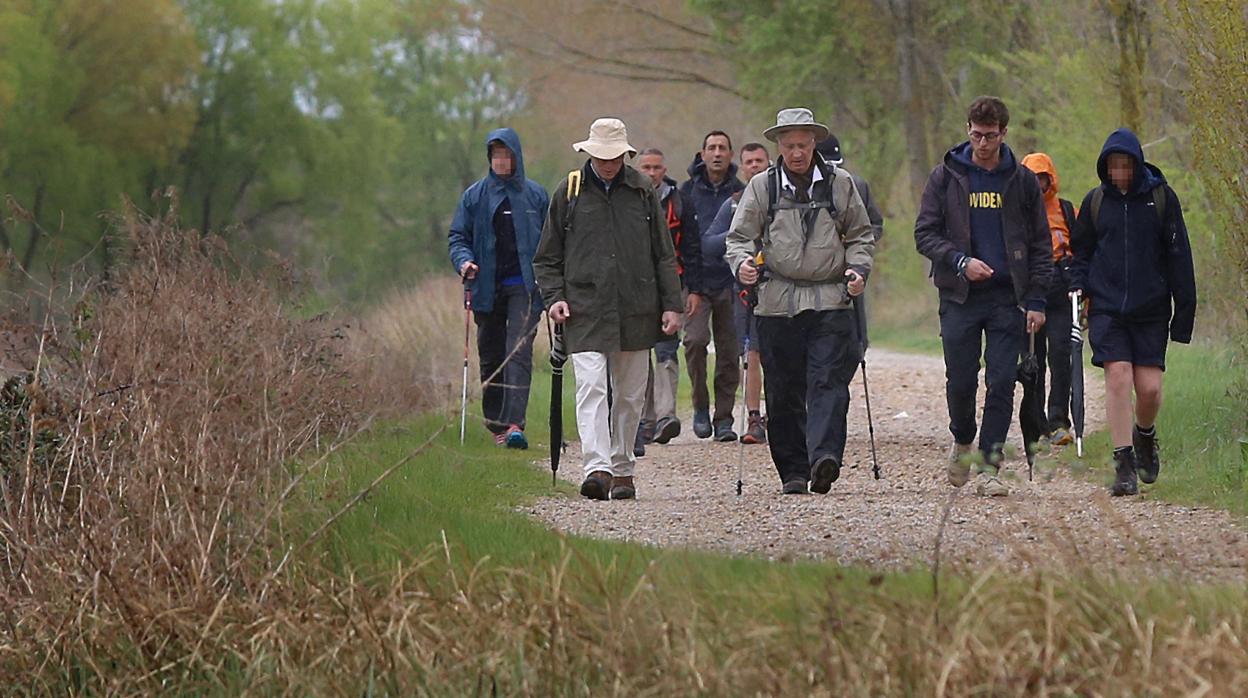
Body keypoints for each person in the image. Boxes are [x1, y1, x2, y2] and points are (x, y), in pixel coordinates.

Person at [725, 108, 876, 495]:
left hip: (831, 297)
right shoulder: (763, 187)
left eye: (803, 145)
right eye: (790, 145)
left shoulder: (840, 185)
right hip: (777, 300)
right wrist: (743, 264)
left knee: (828, 380)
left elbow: (861, 234)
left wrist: (858, 270)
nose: (797, 153)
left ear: (814, 144)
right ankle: (792, 469)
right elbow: (738, 237)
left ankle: (824, 457)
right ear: (779, 145)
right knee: (783, 387)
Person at [533, 118, 683, 501]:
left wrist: (672, 306)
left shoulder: (643, 191)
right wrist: (555, 299)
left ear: (625, 154)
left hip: (636, 306)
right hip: (585, 308)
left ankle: (622, 468)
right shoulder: (569, 192)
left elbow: (664, 254)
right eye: (601, 156)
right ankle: (596, 467)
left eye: (615, 156)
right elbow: (546, 259)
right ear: (588, 154)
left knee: (632, 394)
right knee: (591, 387)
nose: (608, 163)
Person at [913, 96, 1052, 497]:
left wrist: (1038, 299)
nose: (982, 143)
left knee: (1003, 380)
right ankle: (962, 439)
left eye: (990, 136)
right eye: (975, 135)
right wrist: (959, 262)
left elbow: (1041, 243)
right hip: (960, 295)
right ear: (968, 130)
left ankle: (990, 465)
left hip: (1008, 296)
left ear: (1003, 133)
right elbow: (925, 233)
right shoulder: (946, 176)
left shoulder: (1021, 180)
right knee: (960, 377)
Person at [1068, 128, 1196, 496]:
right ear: (1105, 168)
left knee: (1151, 390)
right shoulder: (1095, 203)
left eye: (1125, 166)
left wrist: (1183, 314)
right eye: (1113, 167)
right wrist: (1077, 285)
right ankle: (1123, 464)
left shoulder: (1161, 199)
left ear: (1137, 165)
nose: (1119, 173)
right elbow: (1081, 254)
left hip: (1151, 309)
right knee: (1119, 378)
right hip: (1108, 308)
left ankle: (1145, 435)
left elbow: (1179, 257)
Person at [448, 128, 549, 448]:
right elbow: (457, 237)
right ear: (489, 158)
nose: (501, 161)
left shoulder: (536, 196)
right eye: (496, 155)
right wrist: (464, 262)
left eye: (507, 155)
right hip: (486, 287)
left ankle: (515, 425)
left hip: (525, 286)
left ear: (516, 157)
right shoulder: (474, 196)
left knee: (517, 352)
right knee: (491, 355)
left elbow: (552, 242)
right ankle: (496, 425)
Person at [701, 142, 771, 444]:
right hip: (746, 289)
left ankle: (785, 413)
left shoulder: (784, 198)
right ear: (742, 168)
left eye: (759, 161)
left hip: (786, 285)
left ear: (769, 164)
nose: (754, 166)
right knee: (751, 351)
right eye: (749, 162)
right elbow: (708, 244)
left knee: (785, 354)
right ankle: (754, 417)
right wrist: (738, 238)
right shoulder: (733, 203)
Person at [635, 148, 702, 456]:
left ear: (664, 170)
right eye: (646, 167)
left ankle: (666, 415)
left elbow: (692, 246)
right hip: (634, 286)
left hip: (672, 284)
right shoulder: (628, 199)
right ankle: (644, 419)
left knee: (666, 347)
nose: (651, 173)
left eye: (656, 167)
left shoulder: (680, 201)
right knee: (638, 350)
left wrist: (694, 290)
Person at [680, 131, 745, 442]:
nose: (717, 153)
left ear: (731, 155)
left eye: (723, 148)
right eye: (712, 148)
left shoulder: (742, 193)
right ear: (702, 153)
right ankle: (699, 406)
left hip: (732, 282)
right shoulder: (687, 191)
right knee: (694, 341)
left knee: (729, 353)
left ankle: (724, 418)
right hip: (696, 281)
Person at [1020, 152, 1080, 446]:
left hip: (1061, 291)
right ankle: (1037, 425)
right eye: (1031, 178)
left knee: (1061, 355)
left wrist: (1085, 294)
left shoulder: (1067, 210)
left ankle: (1058, 422)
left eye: (1041, 177)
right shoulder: (1015, 212)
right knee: (1033, 361)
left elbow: (1082, 251)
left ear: (1050, 179)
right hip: (1029, 292)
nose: (1037, 183)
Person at [817, 135, 884, 242]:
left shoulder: (858, 186)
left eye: (835, 166)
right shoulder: (799, 189)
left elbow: (875, 225)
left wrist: (859, 242)